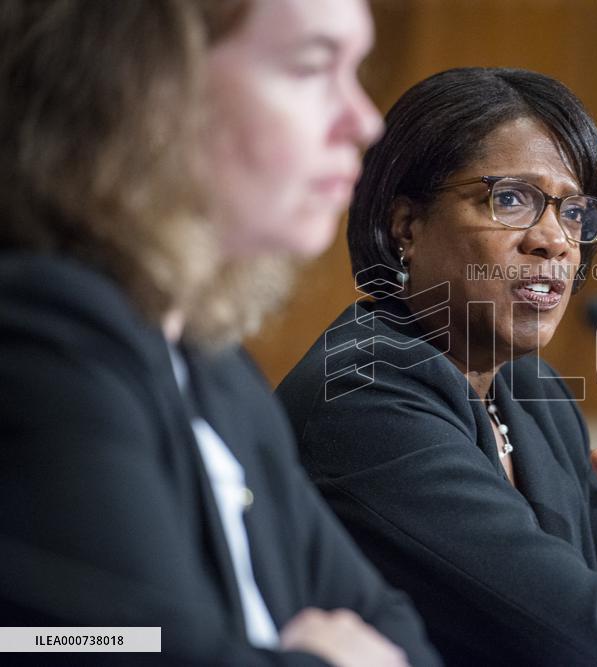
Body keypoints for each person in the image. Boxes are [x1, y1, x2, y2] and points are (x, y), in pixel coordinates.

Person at [277, 67, 597, 666]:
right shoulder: (363, 397)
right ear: (406, 225)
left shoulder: (533, 393)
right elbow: (592, 645)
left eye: (574, 213)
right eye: (510, 199)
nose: (555, 241)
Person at [0, 2, 441, 665]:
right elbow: (87, 644)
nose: (365, 121)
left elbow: (392, 625)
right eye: (313, 65)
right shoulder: (40, 336)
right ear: (144, 84)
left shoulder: (218, 367)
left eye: (357, 69)